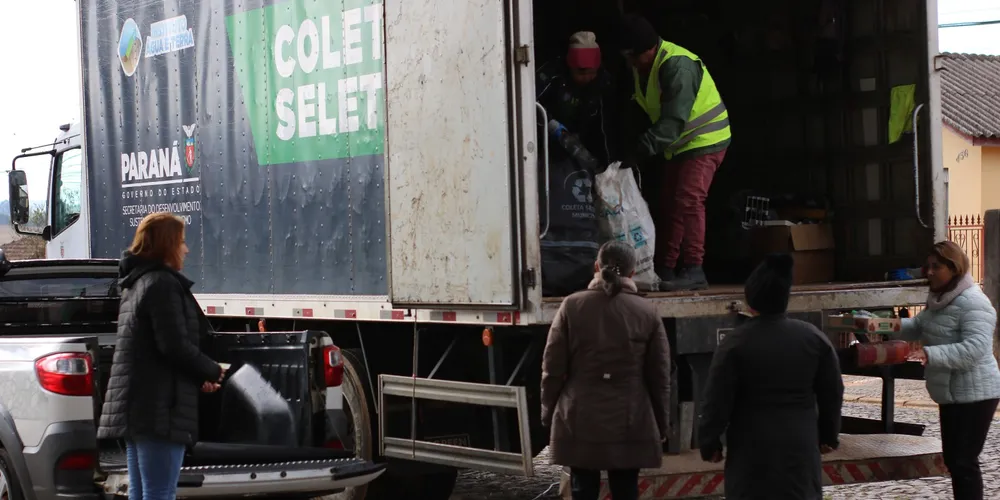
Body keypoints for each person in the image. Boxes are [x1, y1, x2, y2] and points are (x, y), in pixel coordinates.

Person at [97, 212, 226, 500]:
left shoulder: (136, 284)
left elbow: (154, 353)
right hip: (159, 412)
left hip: (139, 410)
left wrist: (196, 377)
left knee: (143, 493)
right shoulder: (162, 284)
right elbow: (174, 345)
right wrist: (210, 370)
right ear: (167, 244)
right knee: (159, 493)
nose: (186, 248)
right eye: (181, 241)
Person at [698, 254, 844, 500]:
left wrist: (709, 442)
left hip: (750, 454)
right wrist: (829, 435)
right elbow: (832, 392)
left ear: (751, 300)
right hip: (799, 451)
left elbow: (716, 399)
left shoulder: (735, 344)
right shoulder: (813, 339)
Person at [541, 240, 671, 500]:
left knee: (582, 489)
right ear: (633, 273)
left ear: (596, 267)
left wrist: (547, 411)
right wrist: (662, 423)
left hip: (580, 417)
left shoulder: (571, 306)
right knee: (625, 489)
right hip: (631, 418)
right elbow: (660, 376)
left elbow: (552, 369)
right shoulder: (648, 312)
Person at [617, 14, 732, 291]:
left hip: (705, 139)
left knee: (689, 200)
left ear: (647, 50)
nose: (630, 63)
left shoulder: (677, 66)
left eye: (633, 57)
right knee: (670, 203)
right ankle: (666, 268)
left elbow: (673, 122)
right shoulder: (644, 68)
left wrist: (640, 149)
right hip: (680, 144)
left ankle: (694, 268)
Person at [901, 241, 1000, 500]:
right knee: (955, 460)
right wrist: (879, 325)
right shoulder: (939, 299)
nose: (929, 272)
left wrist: (930, 353)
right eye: (927, 266)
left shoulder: (973, 303)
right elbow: (916, 326)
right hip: (952, 393)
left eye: (936, 266)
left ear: (954, 268)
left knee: (964, 461)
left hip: (976, 395)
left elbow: (976, 348)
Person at [537, 31, 619, 165]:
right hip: (549, 147)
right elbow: (529, 102)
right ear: (570, 67)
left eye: (592, 72)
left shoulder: (604, 81)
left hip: (587, 149)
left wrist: (609, 162)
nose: (587, 78)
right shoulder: (552, 74)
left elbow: (607, 125)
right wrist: (551, 124)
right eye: (581, 72)